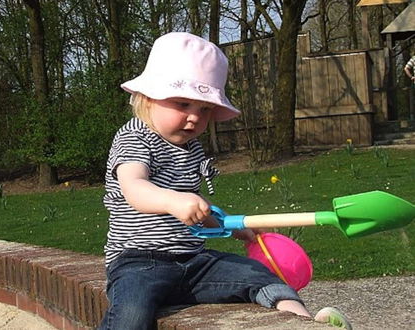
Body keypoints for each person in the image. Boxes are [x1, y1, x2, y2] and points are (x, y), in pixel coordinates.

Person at [99, 32, 352, 330]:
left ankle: (306, 323)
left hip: (195, 263)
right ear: (148, 97)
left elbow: (198, 209)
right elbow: (134, 188)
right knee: (131, 314)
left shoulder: (191, 148)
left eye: (204, 109)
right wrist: (172, 200)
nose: (194, 117)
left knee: (261, 276)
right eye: (182, 104)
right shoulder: (134, 137)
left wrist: (234, 226)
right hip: (139, 263)